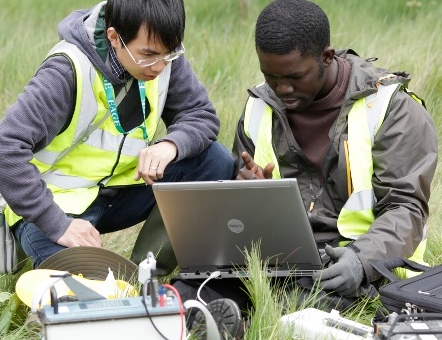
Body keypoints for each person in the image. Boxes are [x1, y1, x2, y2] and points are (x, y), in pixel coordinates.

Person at [176, 0, 438, 337]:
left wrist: (361, 260)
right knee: (187, 291)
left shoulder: (391, 108)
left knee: (300, 312)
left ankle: (242, 323)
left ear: (327, 57)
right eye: (270, 76)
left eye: (295, 77)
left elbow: (407, 208)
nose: (282, 89)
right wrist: (251, 194)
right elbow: (238, 218)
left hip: (353, 264)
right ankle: (212, 317)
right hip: (276, 262)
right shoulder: (259, 106)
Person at [0, 0, 234, 269]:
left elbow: (201, 114)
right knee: (85, 287)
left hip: (120, 189)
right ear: (114, 37)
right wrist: (57, 224)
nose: (160, 66)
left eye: (169, 54)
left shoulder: (162, 53)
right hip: (58, 203)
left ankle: (145, 273)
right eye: (148, 55)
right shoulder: (66, 72)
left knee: (214, 161)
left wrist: (171, 144)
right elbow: (1, 148)